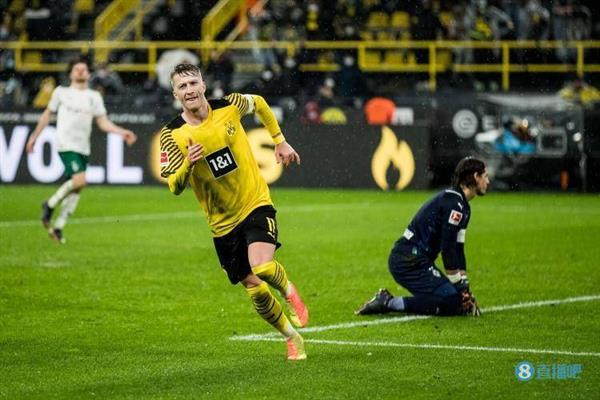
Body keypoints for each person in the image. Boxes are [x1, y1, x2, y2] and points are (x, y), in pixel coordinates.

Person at [159, 63, 309, 360]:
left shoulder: (230, 105)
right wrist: (188, 163)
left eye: (193, 83)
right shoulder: (171, 134)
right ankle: (291, 337)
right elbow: (174, 186)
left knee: (263, 267)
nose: (189, 90)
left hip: (254, 202)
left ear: (203, 85)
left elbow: (260, 103)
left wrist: (280, 141)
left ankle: (289, 290)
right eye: (182, 86)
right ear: (175, 94)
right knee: (253, 288)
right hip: (221, 223)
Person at [355, 157, 490, 317]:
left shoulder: (463, 206)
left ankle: (394, 301)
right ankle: (388, 302)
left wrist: (464, 285)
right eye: (485, 176)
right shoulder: (454, 204)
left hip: (418, 260)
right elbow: (448, 249)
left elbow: (458, 248)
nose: (488, 181)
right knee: (451, 301)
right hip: (408, 261)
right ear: (476, 176)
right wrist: (459, 287)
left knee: (454, 302)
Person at [26, 58, 137, 243]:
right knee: (80, 180)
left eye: (83, 69)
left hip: (83, 147)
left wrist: (121, 132)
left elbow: (103, 123)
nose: (80, 71)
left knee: (77, 187)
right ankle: (49, 204)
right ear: (70, 73)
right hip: (65, 144)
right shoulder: (61, 92)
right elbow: (47, 115)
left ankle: (58, 227)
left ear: (89, 74)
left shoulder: (94, 96)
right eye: (76, 69)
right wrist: (34, 137)